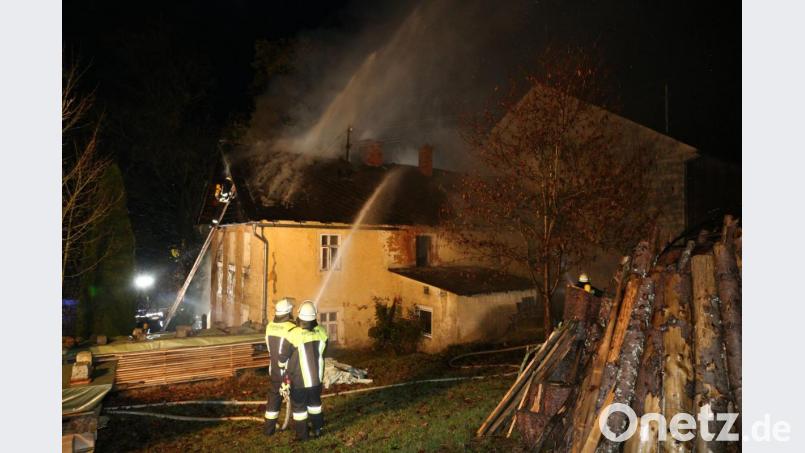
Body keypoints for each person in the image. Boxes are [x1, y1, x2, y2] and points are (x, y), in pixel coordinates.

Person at [281, 300, 329, 441]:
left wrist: (281, 367)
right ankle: (318, 429)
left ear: (299, 315)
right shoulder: (322, 332)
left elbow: (282, 358)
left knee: (299, 408)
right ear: (315, 316)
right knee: (315, 404)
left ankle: (303, 436)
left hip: (298, 381)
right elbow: (323, 352)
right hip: (316, 379)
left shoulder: (292, 334)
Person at [262, 297, 297, 436]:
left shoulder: (269, 326)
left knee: (274, 397)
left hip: (275, 370)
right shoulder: (292, 328)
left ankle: (268, 429)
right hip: (289, 371)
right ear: (289, 312)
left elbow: (270, 348)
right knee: (297, 398)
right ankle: (301, 428)